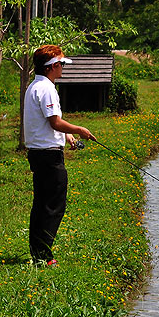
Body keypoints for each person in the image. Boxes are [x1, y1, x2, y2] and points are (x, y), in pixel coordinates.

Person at [24, 44, 96, 267]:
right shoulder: (47, 89)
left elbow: (46, 123)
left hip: (38, 153)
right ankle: (43, 256)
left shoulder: (34, 87)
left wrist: (67, 137)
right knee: (54, 205)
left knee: (41, 204)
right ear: (52, 67)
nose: (62, 68)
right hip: (49, 157)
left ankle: (37, 252)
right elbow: (54, 121)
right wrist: (79, 130)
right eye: (61, 64)